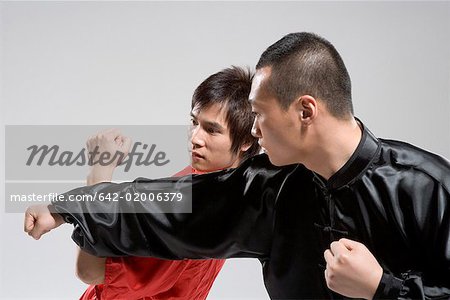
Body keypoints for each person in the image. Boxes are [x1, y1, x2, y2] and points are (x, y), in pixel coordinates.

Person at [25, 32, 450, 299]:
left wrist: (383, 290)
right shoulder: (270, 189)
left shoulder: (426, 187)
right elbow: (171, 205)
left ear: (305, 111)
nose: (256, 132)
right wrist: (70, 205)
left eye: (260, 114)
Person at [76, 66, 260, 299]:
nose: (195, 138)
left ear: (245, 140)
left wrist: (99, 173)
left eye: (212, 130)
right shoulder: (231, 186)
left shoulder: (194, 206)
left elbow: (89, 270)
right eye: (194, 122)